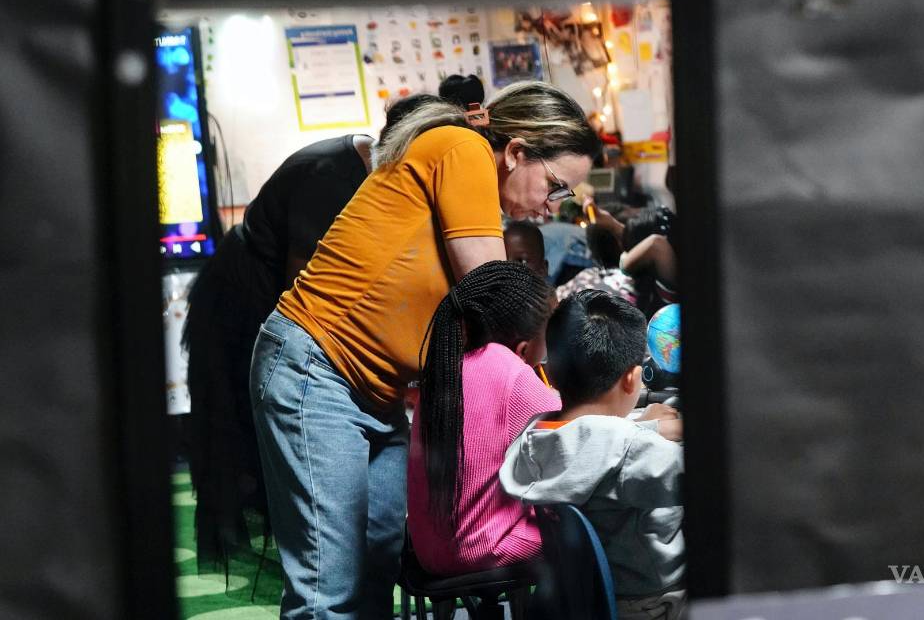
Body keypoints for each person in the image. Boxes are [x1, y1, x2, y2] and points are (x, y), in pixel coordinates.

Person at [249, 81, 600, 618]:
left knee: (378, 565)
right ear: (518, 151)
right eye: (555, 187)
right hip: (315, 369)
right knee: (329, 589)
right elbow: (495, 295)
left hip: (380, 393)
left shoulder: (473, 179)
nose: (551, 208)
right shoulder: (461, 150)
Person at [181, 92, 438, 568]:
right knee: (242, 426)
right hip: (247, 302)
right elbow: (307, 290)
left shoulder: (382, 176)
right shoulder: (331, 174)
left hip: (283, 305)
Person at [500, 290, 686, 619]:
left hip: (586, 599)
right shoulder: (635, 452)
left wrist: (646, 429)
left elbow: (592, 440)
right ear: (632, 379)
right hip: (658, 604)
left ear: (552, 374)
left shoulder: (536, 437)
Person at [406, 260, 557, 575]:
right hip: (482, 549)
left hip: (425, 552)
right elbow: (574, 428)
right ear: (525, 348)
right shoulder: (511, 372)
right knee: (592, 527)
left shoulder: (445, 369)